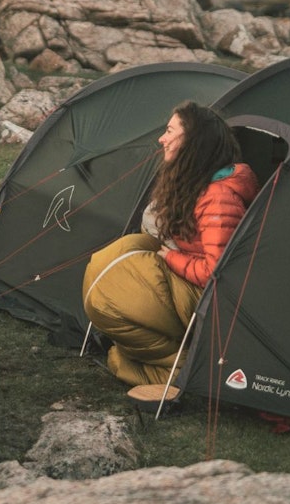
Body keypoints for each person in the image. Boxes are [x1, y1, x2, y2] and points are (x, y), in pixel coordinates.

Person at [82, 101, 260, 388]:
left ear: (193, 142)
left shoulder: (219, 197)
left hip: (208, 300)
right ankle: (153, 358)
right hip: (188, 287)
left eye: (169, 131)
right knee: (126, 250)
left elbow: (218, 274)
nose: (161, 138)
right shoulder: (196, 184)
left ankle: (189, 370)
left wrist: (171, 259)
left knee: (113, 292)